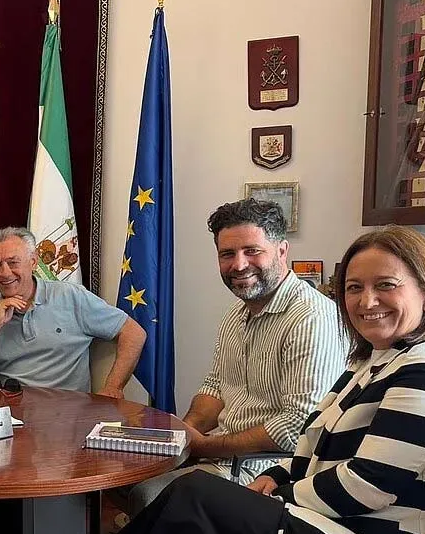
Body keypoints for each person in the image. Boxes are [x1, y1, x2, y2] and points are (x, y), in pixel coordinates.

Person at [37, 225, 425, 534]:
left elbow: (369, 485)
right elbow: (311, 448)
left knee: (195, 497)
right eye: (353, 288)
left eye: (386, 285)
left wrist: (280, 495)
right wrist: (276, 476)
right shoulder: (374, 362)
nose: (366, 300)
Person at [121, 199, 347, 515]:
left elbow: (298, 425)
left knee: (149, 495)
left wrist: (203, 446)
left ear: (282, 251)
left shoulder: (312, 317)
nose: (239, 264)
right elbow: (215, 388)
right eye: (227, 254)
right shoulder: (236, 313)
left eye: (252, 251)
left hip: (268, 472)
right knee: (127, 479)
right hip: (221, 455)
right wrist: (184, 436)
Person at [0, 227, 146, 396]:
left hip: (67, 417)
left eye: (13, 262)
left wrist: (113, 387)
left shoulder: (70, 297)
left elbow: (134, 333)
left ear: (33, 262)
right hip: (10, 416)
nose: (5, 273)